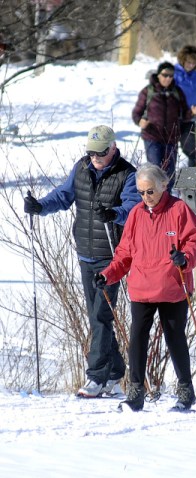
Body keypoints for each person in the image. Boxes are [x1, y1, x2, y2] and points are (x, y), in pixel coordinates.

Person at [23, 125, 139, 398]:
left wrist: (113, 213)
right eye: (90, 152)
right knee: (97, 317)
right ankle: (115, 372)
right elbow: (64, 195)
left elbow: (133, 208)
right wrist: (40, 206)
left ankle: (96, 377)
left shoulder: (127, 173)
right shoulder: (82, 168)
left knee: (100, 316)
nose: (95, 157)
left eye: (100, 153)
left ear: (112, 148)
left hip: (112, 257)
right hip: (85, 253)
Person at [95, 163, 196, 411]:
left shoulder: (179, 210)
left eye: (150, 191)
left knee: (175, 337)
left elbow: (195, 242)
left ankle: (186, 390)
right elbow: (124, 253)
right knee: (137, 340)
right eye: (142, 192)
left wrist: (185, 258)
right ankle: (135, 391)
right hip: (142, 288)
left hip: (172, 286)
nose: (146, 197)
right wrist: (107, 275)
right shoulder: (136, 214)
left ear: (163, 186)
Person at [132, 61, 192, 191]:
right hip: (152, 136)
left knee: (169, 174)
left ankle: (168, 201)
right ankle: (154, 200)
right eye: (165, 75)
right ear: (158, 75)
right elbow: (136, 113)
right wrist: (140, 121)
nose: (168, 78)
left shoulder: (177, 92)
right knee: (155, 171)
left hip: (171, 138)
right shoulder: (148, 91)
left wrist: (192, 112)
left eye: (171, 76)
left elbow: (185, 114)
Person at [174, 45, 196, 167]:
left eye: (193, 63)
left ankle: (190, 184)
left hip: (190, 119)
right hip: (174, 118)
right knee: (170, 152)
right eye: (188, 62)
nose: (190, 65)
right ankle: (165, 181)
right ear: (183, 60)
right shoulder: (174, 74)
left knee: (193, 152)